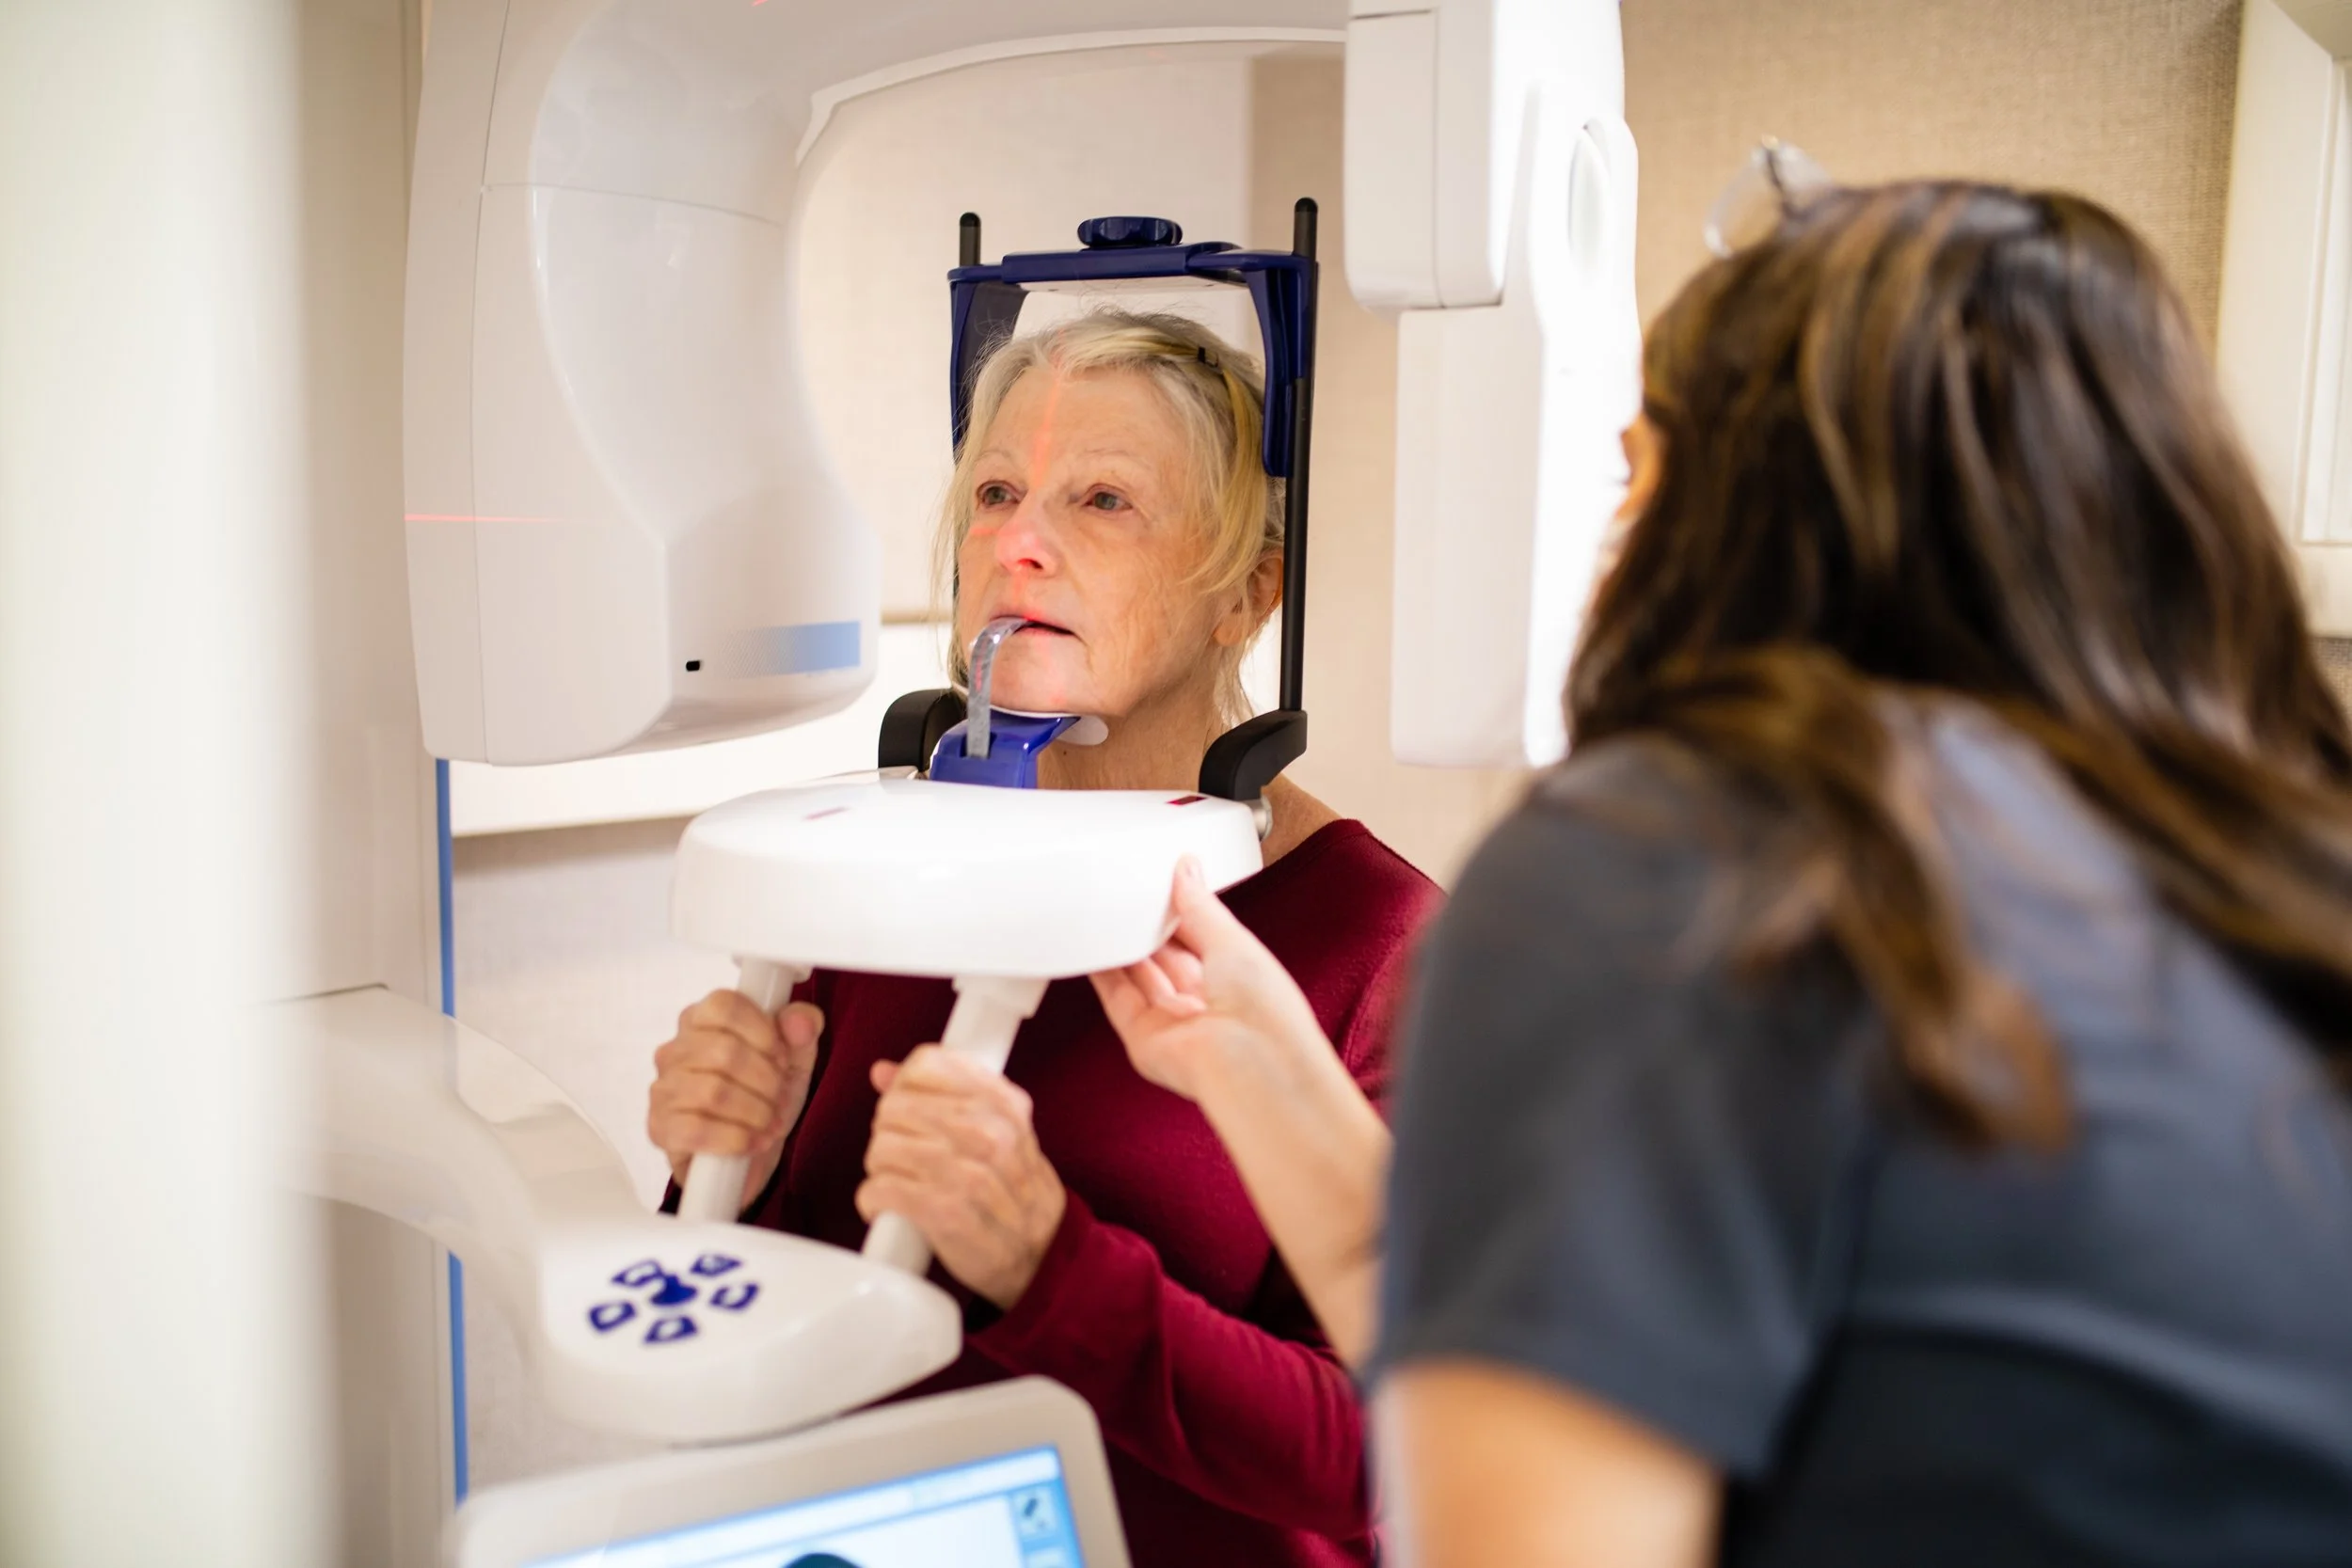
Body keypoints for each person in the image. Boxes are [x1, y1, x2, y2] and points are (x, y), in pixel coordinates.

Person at [1094, 181, 2352, 1566]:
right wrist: (1266, 1075)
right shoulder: (2273, 869)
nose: (1616, 544)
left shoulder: (1672, 868)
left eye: (1636, 476)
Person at [644, 309, 1440, 1568]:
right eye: (998, 492)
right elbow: (776, 1321)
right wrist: (725, 1173)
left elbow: (1384, 1463)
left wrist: (1046, 1262)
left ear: (1248, 591)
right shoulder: (875, 874)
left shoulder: (1381, 941)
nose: (1019, 542)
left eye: (1105, 499)